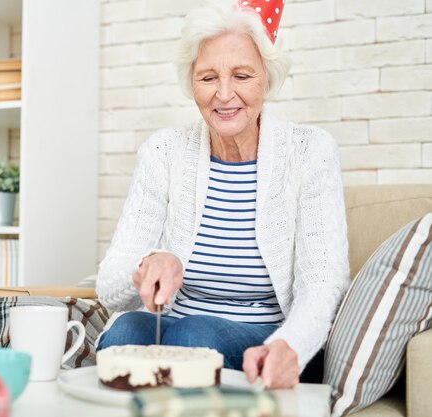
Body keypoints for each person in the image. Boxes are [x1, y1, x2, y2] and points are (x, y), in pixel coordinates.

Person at [95, 0, 350, 389]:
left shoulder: (310, 151)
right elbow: (109, 287)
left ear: (267, 77)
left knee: (194, 338)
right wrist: (149, 262)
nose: (224, 94)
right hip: (179, 326)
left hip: (267, 341)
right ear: (191, 82)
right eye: (208, 77)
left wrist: (289, 344)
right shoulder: (163, 152)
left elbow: (322, 281)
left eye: (242, 75)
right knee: (123, 332)